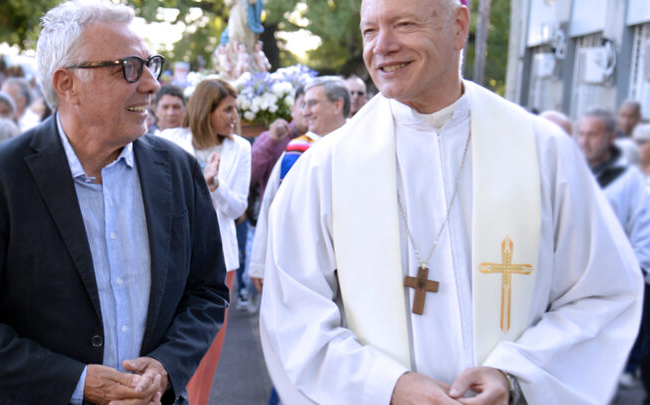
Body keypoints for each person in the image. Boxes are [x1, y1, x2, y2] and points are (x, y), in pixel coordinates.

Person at [259, 0, 643, 404]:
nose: (382, 46)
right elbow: (293, 314)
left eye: (404, 24)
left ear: (459, 26)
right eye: (370, 31)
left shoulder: (543, 152)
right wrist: (386, 387)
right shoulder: (324, 168)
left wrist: (515, 375)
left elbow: (601, 294)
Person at [0, 2, 229, 404]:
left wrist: (167, 364)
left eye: (152, 64)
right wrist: (76, 382)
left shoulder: (177, 169)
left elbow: (206, 291)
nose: (152, 83)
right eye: (129, 67)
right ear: (67, 84)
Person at [158, 78, 251, 405]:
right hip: (173, 259)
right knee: (167, 348)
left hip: (218, 261)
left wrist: (214, 186)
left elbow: (238, 207)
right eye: (227, 110)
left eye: (235, 109)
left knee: (206, 350)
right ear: (205, 110)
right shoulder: (170, 140)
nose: (234, 116)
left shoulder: (240, 147)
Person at [249, 76, 349, 292]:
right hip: (304, 257)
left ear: (337, 105)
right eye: (303, 105)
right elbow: (272, 206)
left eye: (312, 103)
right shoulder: (297, 150)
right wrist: (259, 263)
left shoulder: (362, 143)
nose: (305, 112)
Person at [575, 108, 650, 391]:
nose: (585, 141)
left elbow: (643, 229)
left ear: (610, 137)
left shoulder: (628, 180)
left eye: (592, 134)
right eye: (581, 133)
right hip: (569, 279)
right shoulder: (568, 167)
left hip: (610, 282)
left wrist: (634, 276)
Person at [250, 87, 308, 205]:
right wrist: (271, 142)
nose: (308, 111)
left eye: (313, 104)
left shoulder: (328, 138)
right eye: (303, 104)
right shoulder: (272, 137)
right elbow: (250, 176)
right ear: (293, 110)